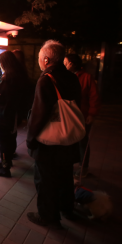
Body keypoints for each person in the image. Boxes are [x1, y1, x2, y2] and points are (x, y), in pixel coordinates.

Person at [26, 40, 82, 229]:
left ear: (47, 59)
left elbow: (38, 114)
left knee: (45, 180)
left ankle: (48, 216)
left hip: (49, 140)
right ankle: (67, 209)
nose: (39, 62)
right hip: (69, 136)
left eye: (40, 58)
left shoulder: (46, 79)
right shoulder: (72, 77)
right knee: (65, 176)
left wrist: (30, 139)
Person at [64, 54, 101, 178]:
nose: (64, 65)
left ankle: (83, 167)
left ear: (72, 64)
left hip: (83, 115)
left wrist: (91, 113)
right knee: (69, 139)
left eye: (66, 62)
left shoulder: (86, 77)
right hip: (69, 115)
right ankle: (70, 163)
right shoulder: (67, 77)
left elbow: (94, 97)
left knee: (82, 141)